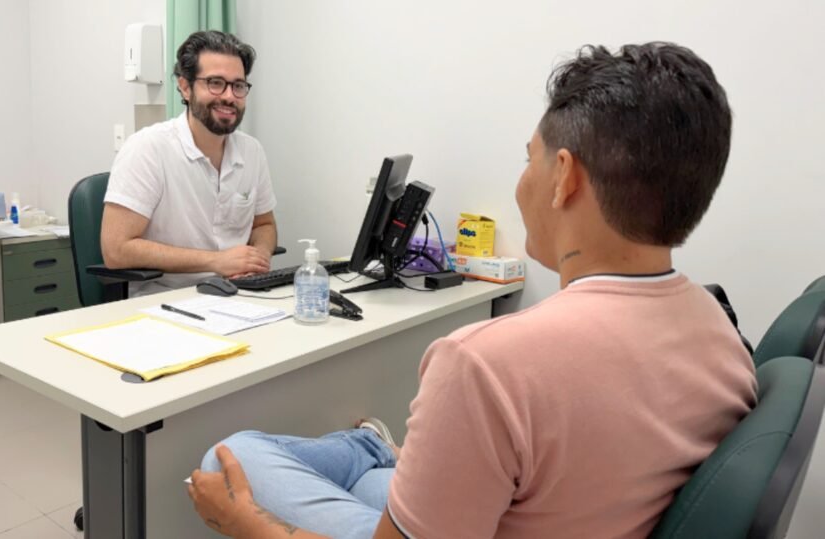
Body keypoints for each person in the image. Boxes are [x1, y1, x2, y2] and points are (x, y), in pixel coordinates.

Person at [186, 42, 758, 539]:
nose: (522, 179)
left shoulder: (486, 365)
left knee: (229, 459)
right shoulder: (719, 331)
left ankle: (369, 448)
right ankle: (373, 451)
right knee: (371, 481)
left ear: (565, 177)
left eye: (528, 159)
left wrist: (249, 526)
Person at [101, 30, 277, 296]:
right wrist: (216, 261)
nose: (229, 96)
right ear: (185, 87)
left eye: (238, 86)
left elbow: (264, 225)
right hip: (166, 301)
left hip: (239, 294)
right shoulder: (148, 148)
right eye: (215, 83)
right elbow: (116, 250)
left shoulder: (252, 151)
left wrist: (257, 258)